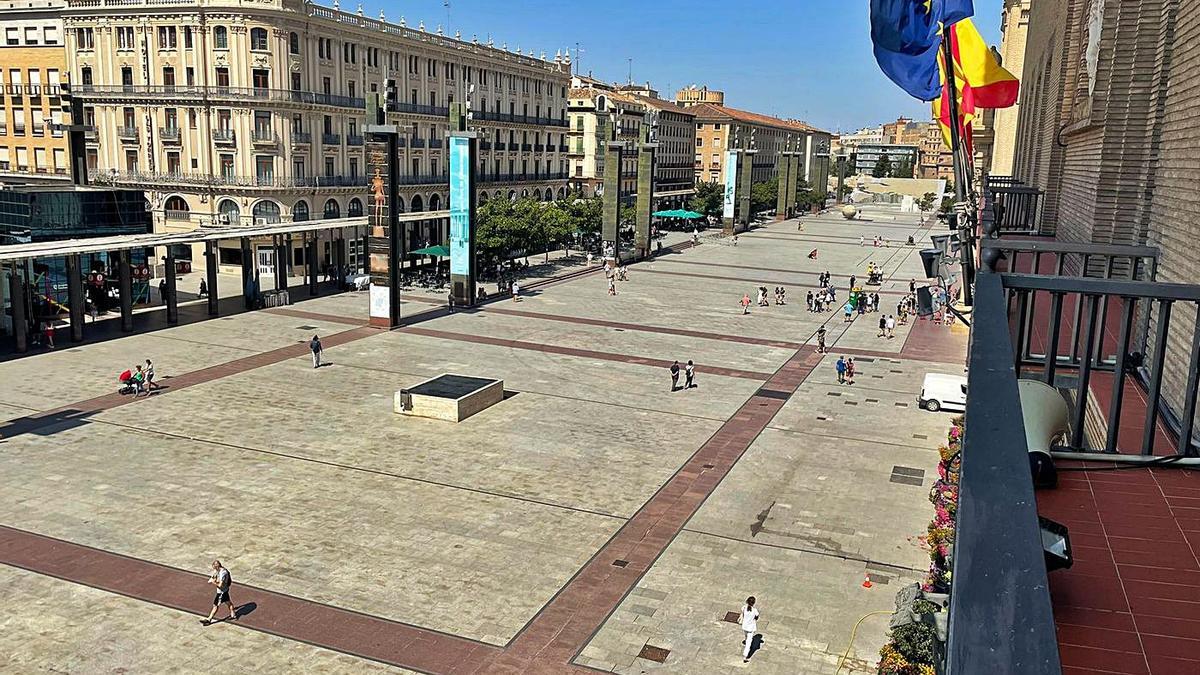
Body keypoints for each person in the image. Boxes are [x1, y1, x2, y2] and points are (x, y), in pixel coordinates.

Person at [201, 560, 236, 626]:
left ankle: (209, 619)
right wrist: (213, 577)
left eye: (214, 568)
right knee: (228, 602)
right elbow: (215, 574)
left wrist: (213, 582)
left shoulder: (223, 573)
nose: (214, 569)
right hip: (224, 591)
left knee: (215, 605)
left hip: (221, 592)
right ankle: (233, 614)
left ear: (217, 566)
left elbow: (220, 585)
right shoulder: (220, 570)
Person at [740, 596, 760, 663]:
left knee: (746, 637)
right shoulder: (754, 610)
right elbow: (757, 616)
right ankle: (745, 655)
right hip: (750, 628)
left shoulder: (744, 608)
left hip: (744, 626)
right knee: (749, 642)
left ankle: (746, 646)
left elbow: (742, 612)